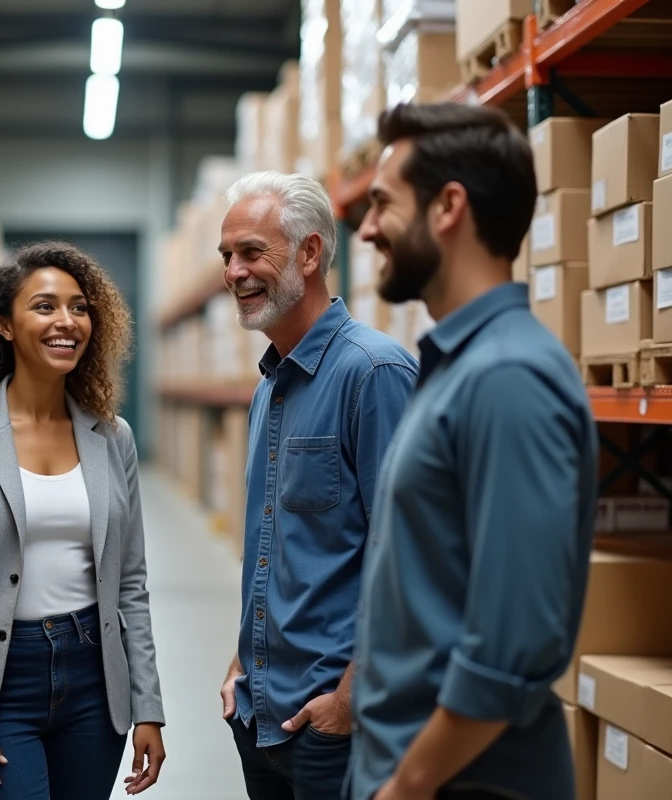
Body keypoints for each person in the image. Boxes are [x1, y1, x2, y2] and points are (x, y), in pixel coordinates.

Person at [348, 103, 599, 800]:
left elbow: (510, 643)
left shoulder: (509, 380)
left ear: (448, 207)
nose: (366, 229)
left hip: (465, 782)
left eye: (381, 204)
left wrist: (407, 785)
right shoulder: (457, 368)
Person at [0, 242, 166, 800]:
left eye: (79, 308)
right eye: (46, 306)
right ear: (4, 326)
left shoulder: (111, 437)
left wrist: (148, 705)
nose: (67, 322)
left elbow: (130, 583)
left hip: (92, 678)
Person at [215, 172, 419, 800]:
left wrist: (352, 698)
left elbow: (408, 554)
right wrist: (240, 663)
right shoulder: (268, 387)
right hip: (260, 714)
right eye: (227, 256)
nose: (233, 272)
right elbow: (273, 544)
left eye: (252, 252)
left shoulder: (375, 373)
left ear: (308, 253)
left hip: (334, 725)